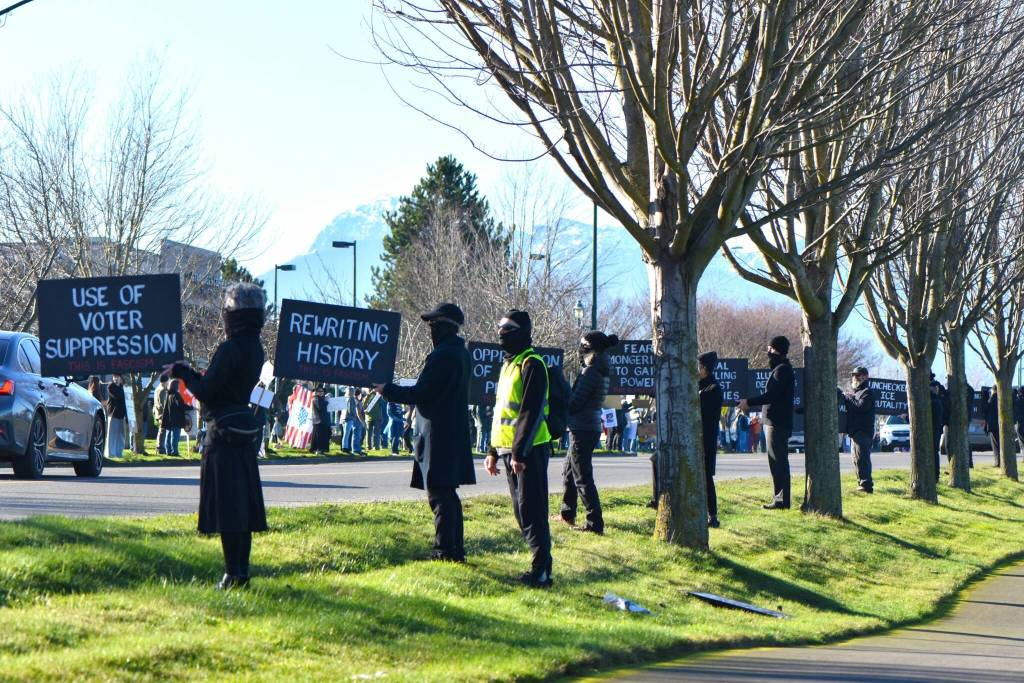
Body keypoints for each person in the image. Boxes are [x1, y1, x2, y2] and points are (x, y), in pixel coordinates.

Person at [168, 282, 268, 590]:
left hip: (221, 434)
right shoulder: (256, 347)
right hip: (243, 432)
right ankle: (243, 572)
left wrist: (183, 372)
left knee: (227, 507)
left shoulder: (230, 348)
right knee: (243, 507)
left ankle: (231, 573)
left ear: (231, 314)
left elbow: (206, 389)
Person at [374, 303, 475, 562]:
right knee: (448, 495)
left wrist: (388, 390)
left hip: (438, 433)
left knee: (440, 495)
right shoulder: (460, 353)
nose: (430, 329)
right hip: (449, 431)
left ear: (445, 325)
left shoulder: (443, 355)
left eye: (434, 324)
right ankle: (455, 549)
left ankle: (444, 550)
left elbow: (421, 392)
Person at [484, 310, 553, 588]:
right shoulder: (508, 365)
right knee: (521, 511)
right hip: (507, 450)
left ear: (523, 331)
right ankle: (539, 566)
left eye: (508, 327)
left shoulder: (532, 363)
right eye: (499, 326)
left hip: (529, 450)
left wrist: (519, 453)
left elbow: (530, 411)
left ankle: (542, 572)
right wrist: (492, 451)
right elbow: (501, 412)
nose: (501, 331)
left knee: (533, 510)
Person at [557, 330, 617, 534]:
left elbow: (575, 403)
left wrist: (562, 393)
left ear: (592, 348)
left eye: (583, 344)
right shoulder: (600, 369)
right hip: (587, 426)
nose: (580, 347)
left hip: (582, 427)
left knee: (582, 477)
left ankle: (594, 523)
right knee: (569, 472)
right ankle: (567, 513)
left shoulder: (590, 372)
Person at [739, 336, 795, 510]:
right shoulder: (782, 369)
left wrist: (748, 402)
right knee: (777, 461)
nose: (767, 352)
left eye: (769, 349)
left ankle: (781, 500)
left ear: (775, 349)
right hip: (775, 422)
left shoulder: (782, 370)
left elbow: (770, 395)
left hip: (777, 423)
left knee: (778, 462)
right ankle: (780, 498)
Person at [699, 351, 725, 528]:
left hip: (706, 437)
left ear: (705, 368)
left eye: (699, 366)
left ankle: (712, 515)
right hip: (698, 436)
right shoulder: (699, 384)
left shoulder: (713, 387)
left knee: (707, 477)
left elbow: (708, 414)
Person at [843, 367, 876, 493]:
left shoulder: (867, 392)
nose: (856, 378)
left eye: (859, 375)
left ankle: (866, 485)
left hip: (863, 432)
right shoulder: (855, 393)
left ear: (866, 376)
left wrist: (848, 397)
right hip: (855, 432)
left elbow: (860, 407)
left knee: (862, 458)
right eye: (854, 376)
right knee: (856, 459)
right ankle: (861, 482)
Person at [161, 379, 189, 456]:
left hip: (169, 419)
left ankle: (168, 451)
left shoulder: (169, 394)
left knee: (168, 435)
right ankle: (174, 451)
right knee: (175, 436)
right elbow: (181, 405)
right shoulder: (177, 395)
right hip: (176, 419)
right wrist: (191, 407)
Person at [105, 374, 128, 458]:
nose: (115, 379)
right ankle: (110, 453)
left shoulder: (123, 387)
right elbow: (117, 396)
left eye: (117, 377)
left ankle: (119, 453)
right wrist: (125, 391)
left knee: (121, 435)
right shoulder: (111, 386)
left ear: (120, 378)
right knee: (112, 435)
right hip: (113, 414)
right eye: (114, 377)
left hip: (122, 414)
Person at [930, 380, 945, 480]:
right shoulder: (939, 400)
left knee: (933, 452)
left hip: (933, 430)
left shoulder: (935, 401)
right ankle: (935, 475)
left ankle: (935, 475)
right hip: (937, 430)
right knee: (934, 452)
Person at [310, 387, 332, 455]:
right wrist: (326, 401)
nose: (321, 392)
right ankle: (318, 449)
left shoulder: (321, 398)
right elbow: (321, 407)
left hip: (323, 421)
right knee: (318, 437)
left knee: (324, 436)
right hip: (318, 421)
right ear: (316, 392)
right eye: (319, 391)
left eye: (322, 391)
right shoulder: (315, 398)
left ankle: (322, 449)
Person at [154, 374, 170, 454]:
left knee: (160, 430)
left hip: (158, 413)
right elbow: (163, 404)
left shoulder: (157, 388)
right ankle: (160, 448)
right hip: (162, 413)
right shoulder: (163, 390)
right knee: (162, 431)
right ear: (165, 381)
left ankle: (159, 447)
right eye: (168, 380)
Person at [983, 387, 999, 467]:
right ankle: (999, 461)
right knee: (998, 443)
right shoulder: (1000, 398)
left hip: (993, 425)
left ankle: (997, 462)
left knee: (995, 445)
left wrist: (985, 397)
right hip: (998, 425)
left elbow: (985, 409)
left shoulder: (992, 398)